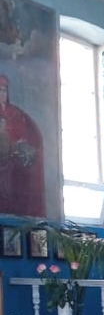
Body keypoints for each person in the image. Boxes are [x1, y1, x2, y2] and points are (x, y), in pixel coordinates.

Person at [0, 73, 45, 219]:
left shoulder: (15, 114)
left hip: (12, 159)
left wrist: (17, 145)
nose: (2, 94)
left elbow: (23, 137)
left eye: (4, 90)